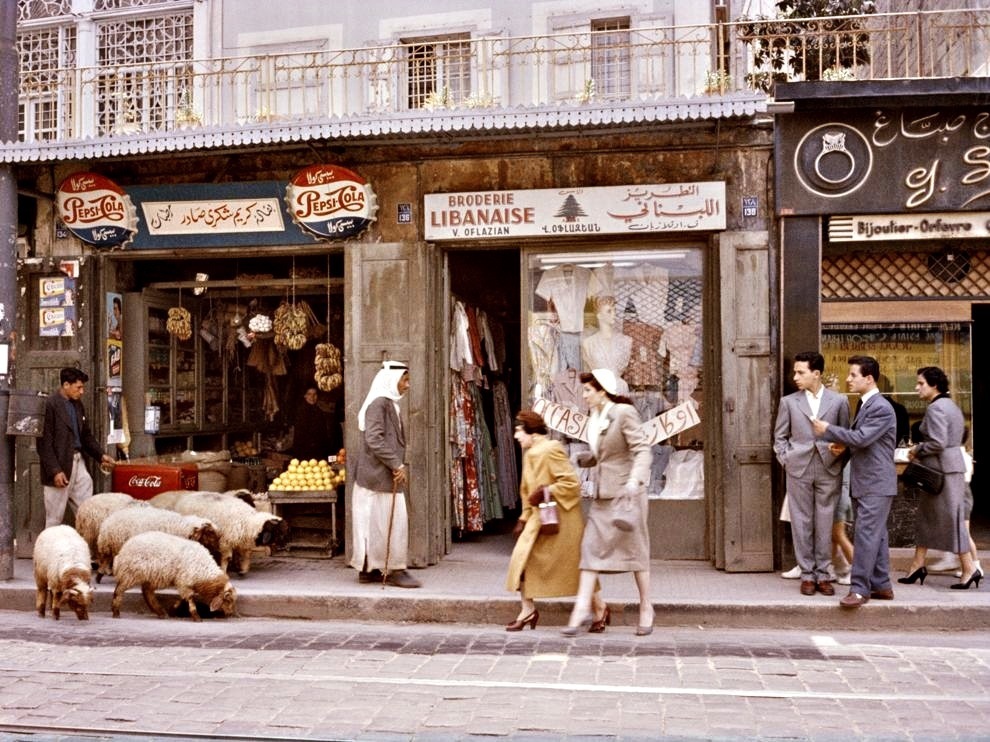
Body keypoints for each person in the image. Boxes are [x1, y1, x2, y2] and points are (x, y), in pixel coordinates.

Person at [563, 368, 653, 636]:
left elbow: (642, 450)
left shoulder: (623, 413)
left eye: (588, 390)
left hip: (627, 497)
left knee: (636, 555)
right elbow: (604, 454)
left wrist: (634, 482)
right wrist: (584, 459)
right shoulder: (596, 416)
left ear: (603, 390)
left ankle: (646, 607)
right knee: (589, 550)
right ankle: (581, 608)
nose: (584, 395)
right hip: (603, 498)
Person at [504, 410, 605, 631]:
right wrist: (522, 517)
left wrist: (546, 490)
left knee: (574, 568)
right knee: (521, 562)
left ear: (532, 431)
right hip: (538, 517)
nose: (516, 436)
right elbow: (526, 489)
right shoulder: (531, 452)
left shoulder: (550, 449)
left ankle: (599, 609)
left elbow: (571, 484)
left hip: (561, 520)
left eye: (519, 431)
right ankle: (527, 610)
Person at [812, 355, 897, 609]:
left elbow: (861, 438)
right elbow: (865, 443)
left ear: (869, 378)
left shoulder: (880, 407)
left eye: (853, 375)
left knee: (866, 536)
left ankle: (860, 590)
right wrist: (844, 448)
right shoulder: (867, 405)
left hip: (875, 483)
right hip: (869, 482)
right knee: (877, 535)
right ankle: (881, 585)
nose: (848, 379)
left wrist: (828, 429)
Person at [773, 352, 850, 597]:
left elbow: (845, 436)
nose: (795, 377)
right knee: (801, 521)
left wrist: (839, 458)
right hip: (799, 467)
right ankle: (807, 574)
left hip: (829, 467)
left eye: (801, 372)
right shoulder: (789, 402)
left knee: (826, 522)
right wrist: (787, 460)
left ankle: (823, 574)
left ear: (816, 374)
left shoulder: (838, 401)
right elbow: (779, 438)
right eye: (795, 372)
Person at [898, 366, 982, 590]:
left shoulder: (936, 409)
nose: (916, 388)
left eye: (920, 384)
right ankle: (917, 565)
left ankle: (969, 568)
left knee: (951, 520)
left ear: (933, 385)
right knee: (927, 519)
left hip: (940, 472)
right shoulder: (950, 405)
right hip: (948, 469)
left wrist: (917, 449)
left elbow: (937, 442)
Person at [349, 361, 420, 588]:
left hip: (379, 476)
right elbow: (374, 439)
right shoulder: (378, 404)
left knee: (375, 523)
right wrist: (396, 464)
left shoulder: (387, 404)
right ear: (392, 380)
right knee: (389, 523)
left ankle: (369, 568)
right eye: (405, 380)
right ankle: (393, 570)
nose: (408, 385)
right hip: (376, 477)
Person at [38, 367, 117, 528]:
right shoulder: (50, 405)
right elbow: (44, 443)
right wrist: (55, 471)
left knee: (86, 511)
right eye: (78, 387)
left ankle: (85, 546)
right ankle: (47, 550)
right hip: (59, 466)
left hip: (78, 461)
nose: (82, 391)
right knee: (54, 517)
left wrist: (101, 455)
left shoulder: (78, 405)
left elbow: (85, 436)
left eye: (82, 387)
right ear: (66, 385)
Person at [290, 387, 339, 461]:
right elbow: (300, 435)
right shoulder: (301, 412)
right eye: (309, 394)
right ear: (305, 396)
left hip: (318, 451)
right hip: (304, 452)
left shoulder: (319, 412)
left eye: (314, 394)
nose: (312, 397)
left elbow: (323, 434)